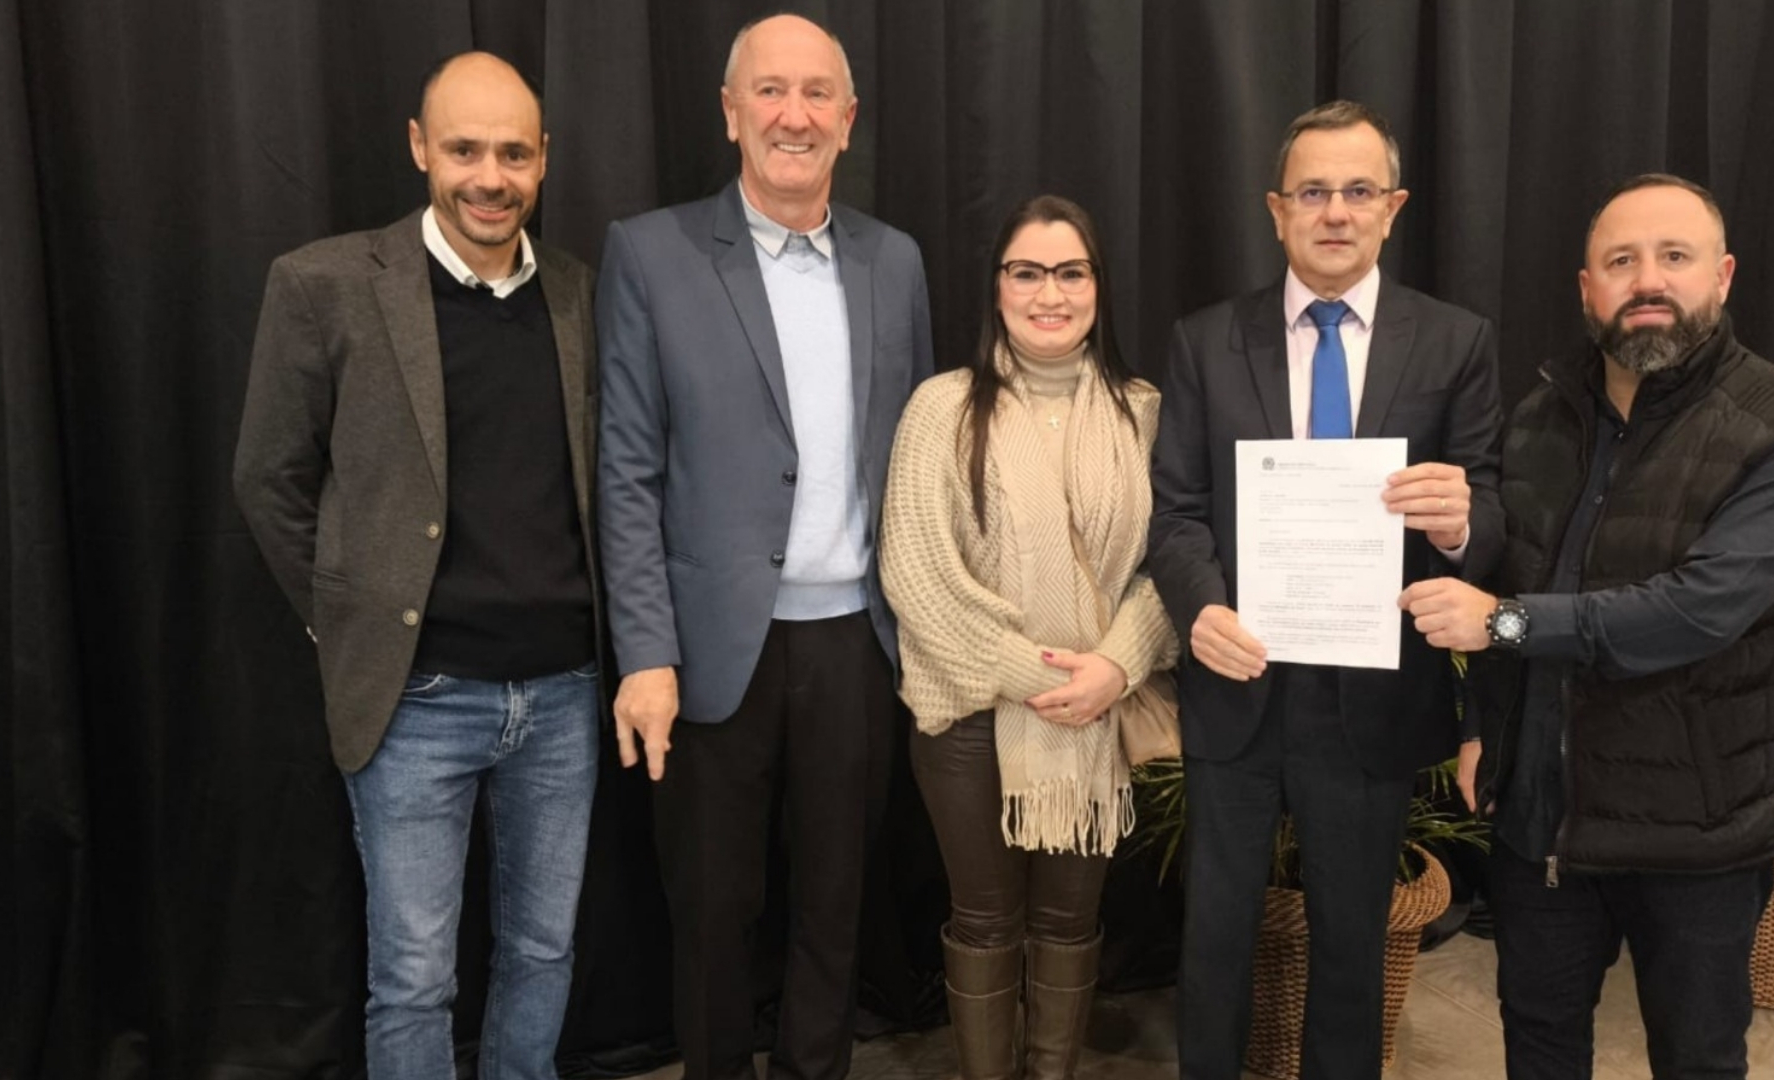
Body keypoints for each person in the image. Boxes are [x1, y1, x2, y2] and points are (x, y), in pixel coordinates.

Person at [1399, 173, 1774, 1080]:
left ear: (1721, 275)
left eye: (1673, 256)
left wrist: (1506, 626)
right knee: (1538, 1043)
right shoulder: (1542, 417)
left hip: (1696, 835)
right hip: (1545, 823)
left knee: (1698, 1057)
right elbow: (1507, 570)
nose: (1648, 280)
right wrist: (1486, 727)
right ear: (1587, 288)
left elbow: (1698, 610)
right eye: (1621, 261)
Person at [233, 52, 600, 1080]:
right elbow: (268, 477)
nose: (490, 177)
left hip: (565, 694)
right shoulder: (325, 286)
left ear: (543, 159)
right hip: (414, 700)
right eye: (464, 149)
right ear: (418, 148)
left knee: (544, 951)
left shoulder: (577, 293)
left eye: (513, 154)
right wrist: (347, 614)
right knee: (413, 977)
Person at [593, 14, 933, 1080]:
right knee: (711, 911)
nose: (795, 115)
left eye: (817, 93)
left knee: (836, 906)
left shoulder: (896, 262)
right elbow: (627, 471)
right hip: (708, 652)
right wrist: (645, 653)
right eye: (771, 91)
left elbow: (918, 457)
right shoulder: (651, 254)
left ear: (849, 118)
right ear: (730, 112)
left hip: (857, 644)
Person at [1146, 99, 1505, 1080]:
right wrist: (1200, 606)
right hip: (1239, 681)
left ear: (1393, 207)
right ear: (1276, 211)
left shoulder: (1455, 342)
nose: (1335, 212)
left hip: (1373, 696)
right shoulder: (1206, 341)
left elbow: (1493, 515)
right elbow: (1175, 511)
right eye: (1312, 192)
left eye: (1357, 191)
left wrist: (1458, 521)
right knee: (1214, 937)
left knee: (1353, 944)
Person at [880, 195, 1178, 1080]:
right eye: (1027, 272)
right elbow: (916, 572)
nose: (1050, 293)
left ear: (1098, 287)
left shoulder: (1142, 412)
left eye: (1070, 272)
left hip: (1095, 714)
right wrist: (1037, 673)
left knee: (1068, 923)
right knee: (984, 922)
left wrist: (1116, 667)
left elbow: (1171, 563)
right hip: (971, 716)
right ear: (998, 288)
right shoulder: (941, 409)